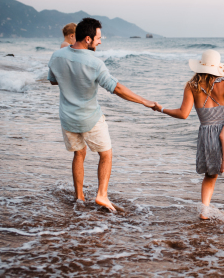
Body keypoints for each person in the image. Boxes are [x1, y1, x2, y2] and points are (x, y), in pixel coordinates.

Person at [47, 17, 155, 212]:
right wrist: (145, 101)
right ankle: (102, 195)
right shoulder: (95, 63)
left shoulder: (56, 56)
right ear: (88, 39)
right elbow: (117, 88)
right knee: (106, 154)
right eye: (98, 38)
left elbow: (53, 81)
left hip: (67, 118)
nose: (100, 41)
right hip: (89, 118)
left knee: (79, 154)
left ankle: (79, 195)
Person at [151, 49, 224, 223]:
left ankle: (204, 213)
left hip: (208, 136)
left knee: (209, 177)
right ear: (217, 67)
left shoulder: (191, 86)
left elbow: (183, 114)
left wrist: (161, 108)